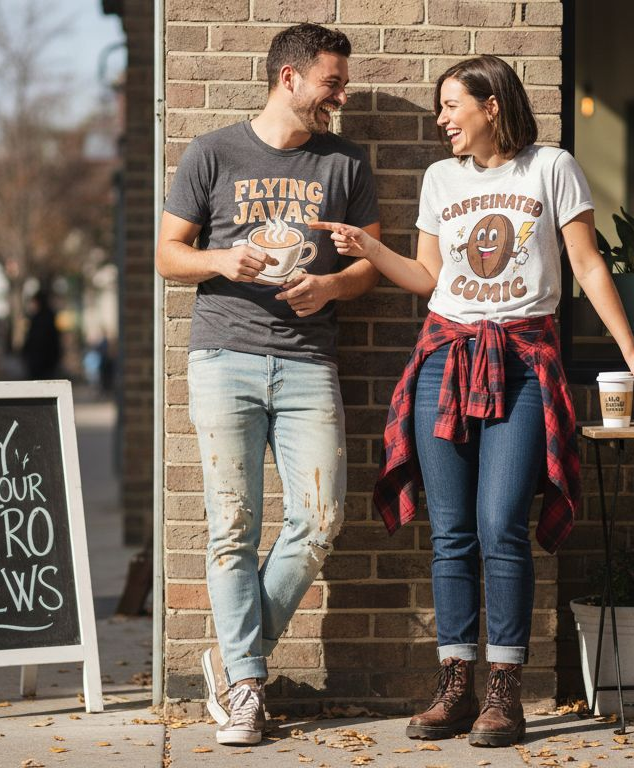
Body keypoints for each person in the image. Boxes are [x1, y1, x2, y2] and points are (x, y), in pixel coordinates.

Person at [310, 55, 634, 748]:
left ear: (492, 104)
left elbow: (587, 265)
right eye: (440, 108)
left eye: (453, 105)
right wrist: (365, 246)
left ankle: (506, 692)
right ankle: (456, 685)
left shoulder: (552, 166)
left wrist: (632, 354)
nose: (442, 120)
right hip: (443, 362)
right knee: (451, 532)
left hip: (522, 363)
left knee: (500, 525)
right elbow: (427, 278)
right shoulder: (439, 179)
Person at [155, 23, 381, 747]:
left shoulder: (346, 162)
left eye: (341, 84)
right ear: (290, 78)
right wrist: (225, 262)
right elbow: (166, 255)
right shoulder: (213, 152)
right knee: (231, 528)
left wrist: (332, 289)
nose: (339, 97)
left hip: (309, 361)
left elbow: (370, 264)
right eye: (331, 83)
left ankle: (228, 660)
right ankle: (248, 690)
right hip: (225, 357)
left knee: (319, 520)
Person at [21, 288, 61, 380]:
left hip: (42, 360)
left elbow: (37, 339)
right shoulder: (46, 316)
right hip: (45, 360)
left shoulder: (40, 318)